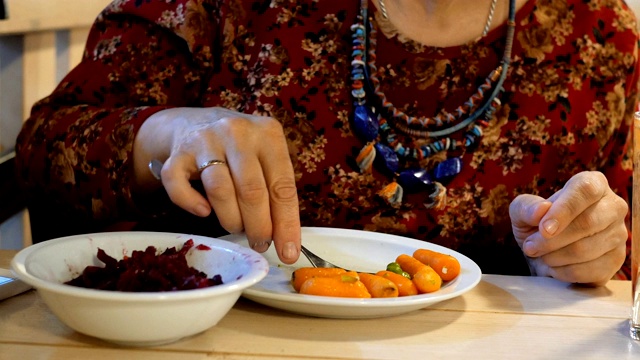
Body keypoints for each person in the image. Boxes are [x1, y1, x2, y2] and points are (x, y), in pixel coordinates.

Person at [15, 0, 638, 286]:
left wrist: (574, 250)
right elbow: (45, 151)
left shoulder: (599, 35)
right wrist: (173, 130)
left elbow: (614, 254)